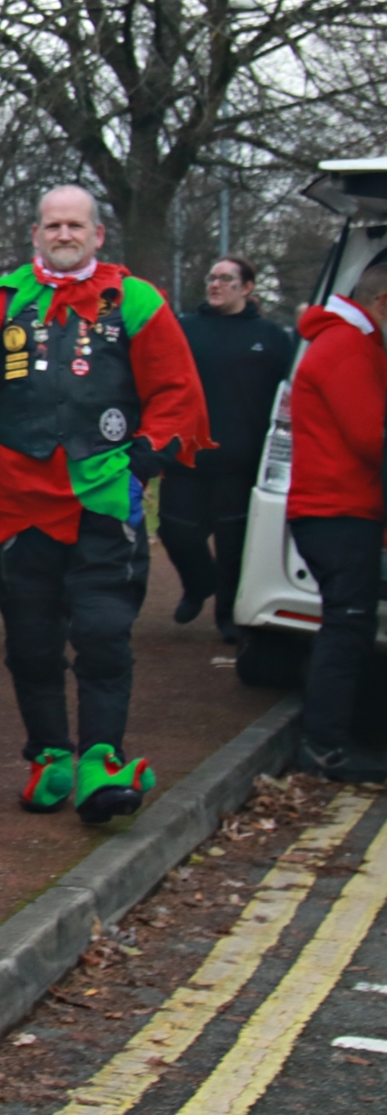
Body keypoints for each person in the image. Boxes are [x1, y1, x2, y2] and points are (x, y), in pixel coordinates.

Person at [0, 185, 211, 825]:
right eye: (53, 225)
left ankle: (102, 758)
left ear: (98, 234)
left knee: (103, 633)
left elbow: (175, 393)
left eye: (76, 225)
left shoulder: (134, 299)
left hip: (104, 497)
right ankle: (49, 755)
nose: (64, 234)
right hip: (20, 503)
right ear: (36, 234)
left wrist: (141, 465)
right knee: (30, 639)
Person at [286, 261, 387, 781]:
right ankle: (325, 747)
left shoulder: (342, 342)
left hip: (333, 510)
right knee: (346, 627)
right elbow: (374, 436)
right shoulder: (349, 349)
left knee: (346, 624)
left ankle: (330, 740)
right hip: (339, 511)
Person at [159, 256, 291, 643]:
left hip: (241, 460)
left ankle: (228, 614)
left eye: (225, 279)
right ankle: (199, 583)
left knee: (233, 545)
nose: (215, 285)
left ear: (247, 287)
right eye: (211, 278)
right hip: (187, 455)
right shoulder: (184, 329)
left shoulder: (271, 337)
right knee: (175, 532)